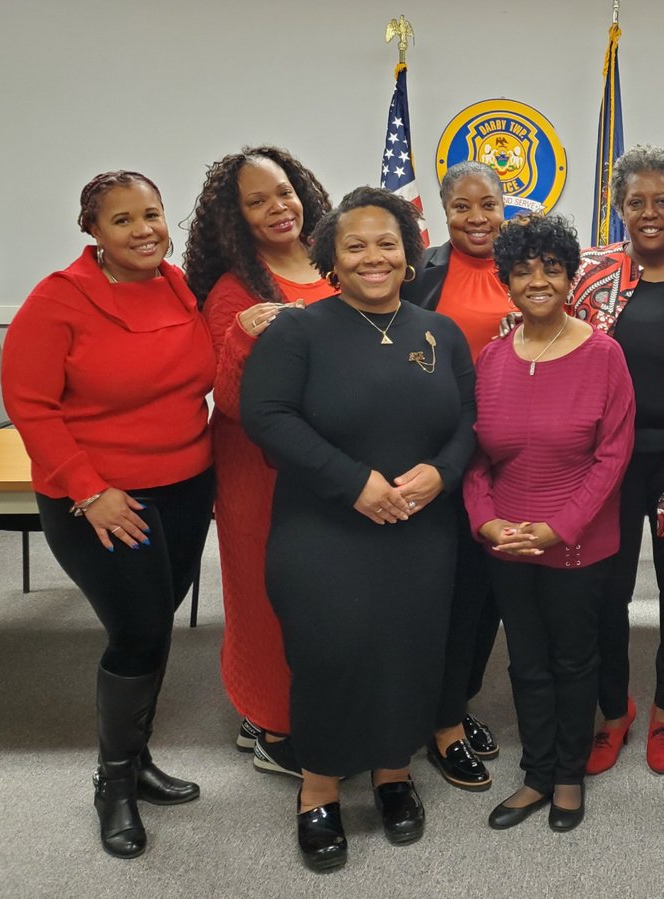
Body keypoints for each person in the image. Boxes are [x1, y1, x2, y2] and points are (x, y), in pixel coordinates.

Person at [240, 186, 475, 871]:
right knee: (331, 652)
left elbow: (470, 421)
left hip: (420, 527)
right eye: (355, 244)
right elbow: (268, 418)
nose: (373, 256)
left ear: (409, 255)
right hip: (323, 528)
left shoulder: (441, 331)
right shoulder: (299, 330)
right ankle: (318, 788)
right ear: (331, 259)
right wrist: (356, 484)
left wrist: (441, 472)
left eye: (387, 243)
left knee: (409, 649)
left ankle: (392, 773)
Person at [1, 171, 215, 858]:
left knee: (155, 626)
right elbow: (30, 404)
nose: (144, 229)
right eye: (123, 220)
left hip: (186, 484)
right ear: (92, 229)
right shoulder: (59, 300)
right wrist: (90, 490)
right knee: (139, 630)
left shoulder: (179, 284)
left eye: (151, 214)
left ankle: (139, 760)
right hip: (97, 497)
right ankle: (114, 782)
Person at [465, 214, 634, 833]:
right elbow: (476, 457)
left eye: (551, 267)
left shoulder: (604, 355)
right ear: (507, 280)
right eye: (522, 269)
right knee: (526, 662)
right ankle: (536, 774)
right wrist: (486, 524)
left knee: (573, 661)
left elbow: (612, 458)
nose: (537, 279)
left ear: (569, 277)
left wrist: (558, 527)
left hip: (576, 546)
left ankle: (568, 774)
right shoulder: (490, 359)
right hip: (504, 543)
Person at [183, 146, 332, 777]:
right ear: (235, 220)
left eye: (284, 190)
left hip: (332, 464)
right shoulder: (233, 290)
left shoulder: (336, 261)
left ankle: (294, 710)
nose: (279, 207)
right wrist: (246, 332)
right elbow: (235, 397)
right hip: (260, 472)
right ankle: (273, 729)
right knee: (265, 599)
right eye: (257, 201)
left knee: (324, 597)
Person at [569, 144, 664, 777]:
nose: (649, 213)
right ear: (618, 208)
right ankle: (613, 708)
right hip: (608, 461)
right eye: (635, 202)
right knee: (606, 589)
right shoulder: (589, 273)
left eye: (662, 202)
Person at [401, 159, 514, 791]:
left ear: (505, 207)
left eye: (488, 205)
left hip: (510, 460)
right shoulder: (421, 274)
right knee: (452, 595)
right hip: (441, 458)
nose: (477, 218)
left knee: (489, 596)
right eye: (463, 207)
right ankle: (441, 721)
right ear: (443, 212)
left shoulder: (526, 269)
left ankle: (458, 702)